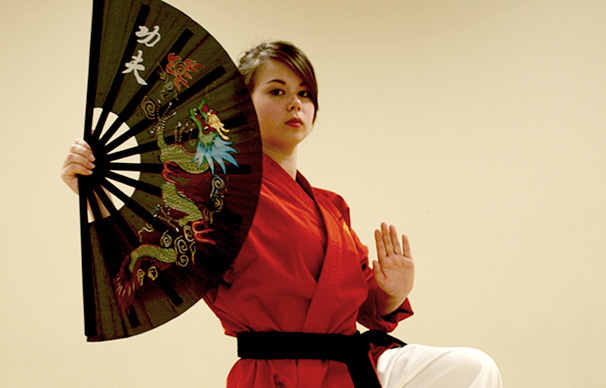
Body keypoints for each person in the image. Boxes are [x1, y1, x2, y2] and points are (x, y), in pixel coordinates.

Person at [62, 41, 502, 388]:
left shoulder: (331, 206)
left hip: (353, 364)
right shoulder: (216, 192)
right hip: (272, 373)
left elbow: (360, 304)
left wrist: (389, 291)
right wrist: (92, 191)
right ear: (241, 104)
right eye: (277, 91)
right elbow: (149, 244)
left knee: (471, 370)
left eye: (305, 94)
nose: (296, 103)